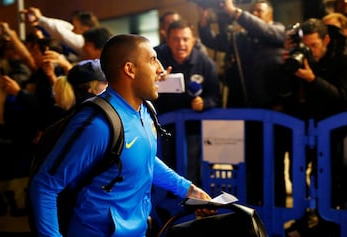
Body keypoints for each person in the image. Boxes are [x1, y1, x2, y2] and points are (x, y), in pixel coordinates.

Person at [29, 33, 213, 237]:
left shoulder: (146, 110)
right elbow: (44, 185)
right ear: (130, 69)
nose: (160, 69)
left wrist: (189, 190)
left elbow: (142, 158)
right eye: (152, 60)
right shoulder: (97, 124)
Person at [197, 0, 287, 206]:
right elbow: (215, 41)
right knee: (249, 162)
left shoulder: (278, 31)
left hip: (274, 115)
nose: (254, 14)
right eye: (252, 10)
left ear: (270, 16)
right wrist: (204, 23)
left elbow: (264, 31)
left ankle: (277, 209)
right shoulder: (242, 38)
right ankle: (251, 208)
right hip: (247, 112)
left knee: (274, 164)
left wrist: (236, 12)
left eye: (259, 11)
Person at [283, 18, 347, 209]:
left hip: (333, 131)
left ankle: (327, 222)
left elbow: (343, 97)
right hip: (303, 126)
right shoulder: (300, 57)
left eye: (314, 45)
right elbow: (285, 92)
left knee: (327, 177)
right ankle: (303, 218)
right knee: (296, 173)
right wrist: (286, 63)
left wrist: (313, 79)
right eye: (306, 45)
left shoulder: (343, 60)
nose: (310, 50)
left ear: (326, 40)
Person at [154, 20, 221, 186]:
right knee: (164, 172)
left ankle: (192, 207)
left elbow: (216, 97)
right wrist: (153, 77)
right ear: (167, 40)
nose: (181, 44)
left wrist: (204, 103)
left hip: (193, 131)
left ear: (193, 40)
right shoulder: (155, 58)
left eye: (185, 39)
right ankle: (165, 209)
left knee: (191, 171)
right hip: (160, 130)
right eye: (175, 39)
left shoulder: (205, 64)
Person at [23, 7, 99, 60]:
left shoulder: (83, 41)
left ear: (85, 28)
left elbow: (63, 33)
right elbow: (64, 28)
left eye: (75, 27)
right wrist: (40, 20)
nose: (72, 30)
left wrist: (40, 18)